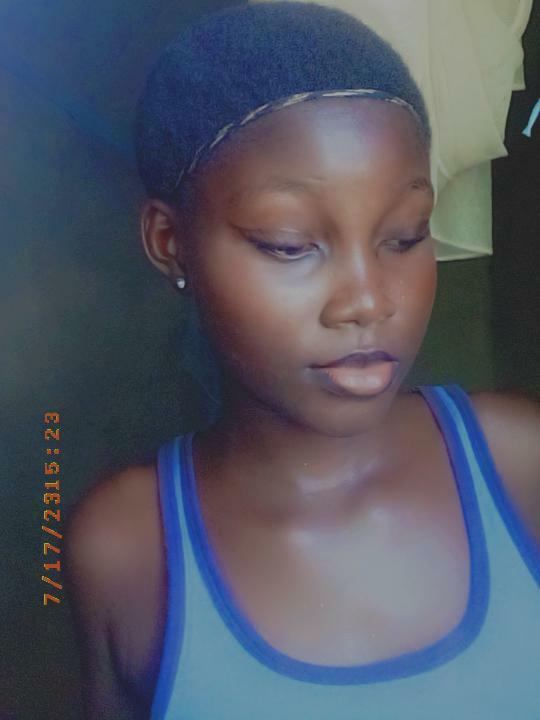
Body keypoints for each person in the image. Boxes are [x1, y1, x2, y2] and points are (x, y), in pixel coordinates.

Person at [64, 3, 540, 719]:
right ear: (170, 243)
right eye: (289, 244)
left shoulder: (521, 463)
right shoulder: (128, 549)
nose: (367, 300)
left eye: (406, 236)